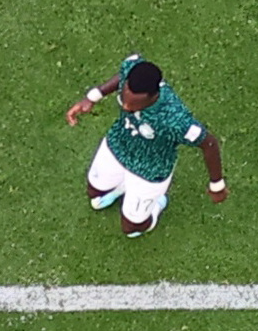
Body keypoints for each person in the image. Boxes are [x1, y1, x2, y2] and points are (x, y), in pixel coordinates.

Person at [64, 55, 227, 237]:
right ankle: (123, 188)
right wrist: (93, 97)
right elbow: (121, 76)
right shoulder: (133, 69)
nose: (125, 107)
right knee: (94, 192)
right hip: (118, 145)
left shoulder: (175, 120)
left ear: (153, 96)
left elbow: (209, 143)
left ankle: (156, 206)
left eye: (133, 105)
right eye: (124, 98)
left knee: (131, 229)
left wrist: (217, 185)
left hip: (150, 170)